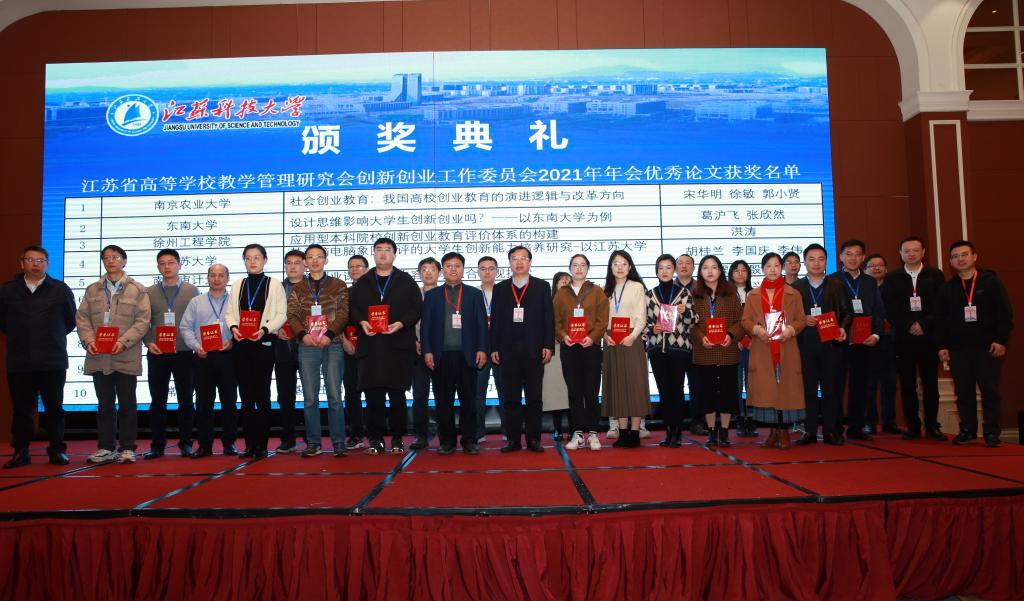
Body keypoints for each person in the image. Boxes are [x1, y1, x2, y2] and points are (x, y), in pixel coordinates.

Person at [0, 245, 76, 468]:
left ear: (47, 264)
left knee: (55, 408)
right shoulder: (7, 291)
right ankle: (21, 451)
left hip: (52, 359)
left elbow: (70, 321)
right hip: (19, 360)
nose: (36, 264)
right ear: (22, 263)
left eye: (41, 260)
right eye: (30, 259)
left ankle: (57, 450)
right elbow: (2, 322)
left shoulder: (60, 289)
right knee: (22, 409)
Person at [76, 245, 152, 464]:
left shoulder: (137, 289)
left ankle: (127, 448)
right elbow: (82, 318)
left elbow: (143, 321)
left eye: (115, 257)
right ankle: (105, 447)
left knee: (128, 404)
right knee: (104, 404)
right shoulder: (92, 290)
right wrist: (88, 340)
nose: (111, 261)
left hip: (125, 355)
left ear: (124, 261)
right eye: (106, 258)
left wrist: (123, 341)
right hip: (99, 356)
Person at [936, 241, 1013, 447]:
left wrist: (1001, 340)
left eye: (964, 255)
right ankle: (968, 430)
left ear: (974, 257)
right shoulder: (948, 288)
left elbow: (1004, 313)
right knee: (963, 392)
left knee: (990, 391)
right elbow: (941, 320)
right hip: (958, 349)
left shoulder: (991, 282)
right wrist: (942, 346)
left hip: (987, 347)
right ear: (950, 261)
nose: (960, 259)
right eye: (955, 256)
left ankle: (991, 432)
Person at [349, 238, 422, 455]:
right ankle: (376, 439)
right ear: (373, 254)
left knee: (398, 397)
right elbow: (352, 309)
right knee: (373, 398)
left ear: (394, 254)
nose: (382, 254)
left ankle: (398, 438)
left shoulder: (406, 281)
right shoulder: (363, 282)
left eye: (387, 250)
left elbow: (416, 308)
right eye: (378, 250)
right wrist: (361, 322)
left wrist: (401, 323)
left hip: (397, 347)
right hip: (371, 347)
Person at [421, 252, 487, 454]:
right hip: (441, 355)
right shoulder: (432, 295)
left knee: (469, 400)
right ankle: (447, 441)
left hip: (467, 355)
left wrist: (482, 349)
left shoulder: (474, 294)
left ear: (463, 269)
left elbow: (482, 325)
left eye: (457, 266)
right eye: (449, 266)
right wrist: (427, 351)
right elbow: (426, 327)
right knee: (443, 401)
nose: (453, 269)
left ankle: (469, 440)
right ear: (443, 270)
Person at [286, 244, 349, 458]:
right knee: (310, 397)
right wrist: (302, 335)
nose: (314, 261)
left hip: (333, 344)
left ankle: (338, 442)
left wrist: (329, 334)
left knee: (335, 396)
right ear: (305, 262)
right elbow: (292, 315)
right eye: (310, 257)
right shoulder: (298, 288)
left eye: (319, 257)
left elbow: (343, 313)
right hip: (307, 346)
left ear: (326, 260)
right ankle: (313, 442)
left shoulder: (338, 285)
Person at [490, 245, 554, 453]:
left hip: (534, 350)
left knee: (534, 397)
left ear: (530, 262)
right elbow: (495, 321)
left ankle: (534, 439)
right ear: (509, 262)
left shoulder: (542, 286)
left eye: (523, 258)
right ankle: (513, 439)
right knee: (511, 399)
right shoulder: (500, 289)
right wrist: (494, 347)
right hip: (508, 352)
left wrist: (548, 345)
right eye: (515, 258)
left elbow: (548, 318)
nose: (519, 262)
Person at [882, 236, 947, 440]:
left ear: (923, 252)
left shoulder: (935, 275)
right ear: (900, 253)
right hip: (904, 338)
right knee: (907, 384)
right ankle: (913, 425)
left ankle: (932, 425)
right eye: (907, 251)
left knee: (930, 384)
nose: (911, 254)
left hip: (929, 338)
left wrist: (924, 324)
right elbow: (889, 308)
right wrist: (909, 325)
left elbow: (942, 306)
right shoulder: (892, 278)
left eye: (915, 250)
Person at [226, 243, 287, 458]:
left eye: (257, 257)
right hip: (241, 345)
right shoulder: (238, 284)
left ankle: (261, 445)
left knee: (262, 395)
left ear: (265, 260)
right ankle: (249, 444)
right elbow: (229, 313)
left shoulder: (274, 284)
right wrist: (234, 328)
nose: (252, 262)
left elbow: (281, 314)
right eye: (248, 258)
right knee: (246, 397)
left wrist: (264, 329)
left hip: (263, 344)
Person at [741, 252, 807, 450]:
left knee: (786, 389)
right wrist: (756, 330)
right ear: (762, 269)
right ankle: (773, 431)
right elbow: (745, 320)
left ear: (782, 268)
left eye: (776, 265)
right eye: (768, 266)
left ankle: (784, 431)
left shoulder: (793, 293)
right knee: (767, 391)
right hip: (763, 347)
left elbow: (801, 319)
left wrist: (791, 330)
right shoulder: (753, 295)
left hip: (786, 346)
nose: (772, 269)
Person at [791, 244, 852, 445]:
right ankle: (809, 431)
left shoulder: (837, 285)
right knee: (807, 389)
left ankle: (831, 431)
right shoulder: (796, 288)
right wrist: (803, 319)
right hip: (805, 345)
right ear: (804, 262)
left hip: (831, 345)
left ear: (826, 262)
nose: (816, 263)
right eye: (811, 259)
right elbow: (789, 317)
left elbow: (847, 312)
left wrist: (842, 328)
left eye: (821, 259)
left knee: (831, 389)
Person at [142, 249, 199, 459]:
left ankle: (186, 443)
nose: (167, 266)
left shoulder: (192, 290)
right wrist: (148, 342)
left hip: (185, 352)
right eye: (162, 263)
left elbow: (198, 320)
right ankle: (157, 445)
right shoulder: (148, 292)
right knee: (158, 401)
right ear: (158, 267)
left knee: (186, 400)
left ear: (180, 265)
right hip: (158, 353)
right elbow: (143, 321)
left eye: (171, 262)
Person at [179, 264, 238, 458]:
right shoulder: (196, 302)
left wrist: (232, 342)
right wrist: (196, 346)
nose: (216, 279)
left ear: (227, 278)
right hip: (203, 357)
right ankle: (204, 445)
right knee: (204, 403)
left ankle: (229, 443)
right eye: (212, 275)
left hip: (228, 356)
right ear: (207, 278)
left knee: (229, 402)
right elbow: (185, 327)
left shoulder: (235, 302)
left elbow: (242, 328)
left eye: (221, 275)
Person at [554, 257, 609, 451]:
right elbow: (555, 320)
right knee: (574, 392)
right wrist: (563, 336)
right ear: (570, 269)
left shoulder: (596, 291)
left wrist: (593, 337)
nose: (578, 268)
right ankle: (577, 434)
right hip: (569, 348)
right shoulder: (561, 293)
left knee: (591, 392)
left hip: (590, 347)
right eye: (575, 265)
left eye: (582, 265)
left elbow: (603, 319)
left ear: (588, 268)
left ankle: (593, 434)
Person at [690, 255, 744, 447]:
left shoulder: (731, 294)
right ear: (700, 272)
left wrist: (731, 335)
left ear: (720, 271)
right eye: (706, 267)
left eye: (714, 267)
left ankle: (725, 431)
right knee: (708, 395)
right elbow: (690, 324)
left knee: (727, 394)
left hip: (727, 350)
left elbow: (741, 321)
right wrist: (700, 338)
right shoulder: (694, 295)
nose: (710, 271)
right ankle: (712, 431)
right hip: (704, 352)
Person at [833, 240, 885, 441]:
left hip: (864, 342)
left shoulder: (870, 282)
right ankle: (835, 427)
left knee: (860, 386)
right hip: (839, 341)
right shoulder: (832, 280)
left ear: (863, 257)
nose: (853, 258)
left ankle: (856, 427)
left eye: (857, 254)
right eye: (848, 254)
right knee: (836, 386)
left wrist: (876, 334)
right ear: (841, 257)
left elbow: (878, 311)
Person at [644, 253, 696, 448]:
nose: (664, 271)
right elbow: (643, 322)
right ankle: (668, 430)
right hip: (657, 349)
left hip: (678, 349)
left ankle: (678, 431)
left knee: (677, 390)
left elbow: (694, 320)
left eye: (668, 267)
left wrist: (685, 312)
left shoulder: (684, 294)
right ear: (656, 271)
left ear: (674, 270)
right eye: (661, 268)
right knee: (664, 391)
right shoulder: (649, 295)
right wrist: (653, 328)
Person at [602, 250, 650, 449]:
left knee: (635, 385)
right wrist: (604, 335)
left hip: (632, 339)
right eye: (615, 263)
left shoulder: (637, 287)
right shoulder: (605, 289)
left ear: (630, 266)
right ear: (610, 267)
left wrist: (633, 336)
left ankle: (635, 433)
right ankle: (622, 433)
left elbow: (641, 317)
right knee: (617, 386)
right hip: (611, 341)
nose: (619, 267)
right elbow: (601, 318)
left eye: (623, 263)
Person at [274, 250, 306, 453]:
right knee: (285, 395)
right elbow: (268, 315)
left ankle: (312, 439)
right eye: (289, 263)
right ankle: (288, 438)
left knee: (310, 395)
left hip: (308, 346)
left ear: (305, 265)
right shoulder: (276, 288)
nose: (292, 266)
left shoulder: (313, 287)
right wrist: (275, 328)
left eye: (297, 262)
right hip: (283, 348)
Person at [864, 253, 899, 434]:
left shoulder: (894, 289)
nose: (876, 268)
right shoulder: (863, 289)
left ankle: (889, 422)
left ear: (886, 269)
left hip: (889, 342)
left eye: (880, 265)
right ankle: (869, 422)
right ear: (865, 270)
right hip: (868, 341)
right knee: (869, 384)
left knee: (889, 383)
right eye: (872, 266)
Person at [473, 255, 505, 443]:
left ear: (497, 271)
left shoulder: (504, 292)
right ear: (478, 272)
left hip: (501, 347)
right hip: (479, 348)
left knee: (505, 391)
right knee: (478, 393)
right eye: (483, 269)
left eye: (491, 268)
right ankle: (478, 432)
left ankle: (508, 430)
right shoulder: (472, 293)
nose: (487, 272)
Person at [410, 257, 440, 450]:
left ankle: (446, 435)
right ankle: (420, 435)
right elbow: (406, 321)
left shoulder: (446, 294)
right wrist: (413, 340)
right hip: (418, 350)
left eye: (432, 269)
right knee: (419, 395)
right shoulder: (412, 296)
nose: (428, 272)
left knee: (443, 394)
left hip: (441, 351)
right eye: (424, 269)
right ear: (419, 273)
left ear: (439, 273)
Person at [728, 259, 757, 437]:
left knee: (752, 382)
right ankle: (739, 418)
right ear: (731, 273)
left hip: (754, 344)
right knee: (736, 384)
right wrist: (735, 338)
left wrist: (753, 338)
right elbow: (726, 320)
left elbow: (760, 319)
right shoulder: (726, 295)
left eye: (744, 270)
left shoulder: (755, 294)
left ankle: (752, 419)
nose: (740, 273)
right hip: (734, 345)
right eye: (736, 270)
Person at [673, 253, 702, 436]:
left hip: (697, 343)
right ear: (675, 267)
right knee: (675, 385)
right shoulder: (668, 288)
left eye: (688, 263)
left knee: (697, 384)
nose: (684, 266)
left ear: (693, 267)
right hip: (675, 343)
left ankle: (697, 421)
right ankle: (675, 423)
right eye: (680, 263)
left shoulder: (701, 288)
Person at [342, 254, 369, 450]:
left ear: (367, 269)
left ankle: (375, 435)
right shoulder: (344, 293)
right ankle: (356, 434)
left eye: (359, 266)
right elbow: (338, 319)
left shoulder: (376, 292)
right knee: (351, 392)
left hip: (373, 348)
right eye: (351, 267)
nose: (354, 269)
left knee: (374, 392)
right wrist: (344, 341)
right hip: (348, 347)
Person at [542, 272, 572, 439]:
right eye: (562, 281)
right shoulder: (548, 302)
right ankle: (558, 428)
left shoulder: (578, 302)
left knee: (572, 390)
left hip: (573, 349)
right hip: (554, 350)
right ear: (555, 285)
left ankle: (574, 429)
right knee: (555, 391)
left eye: (568, 280)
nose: (566, 283)